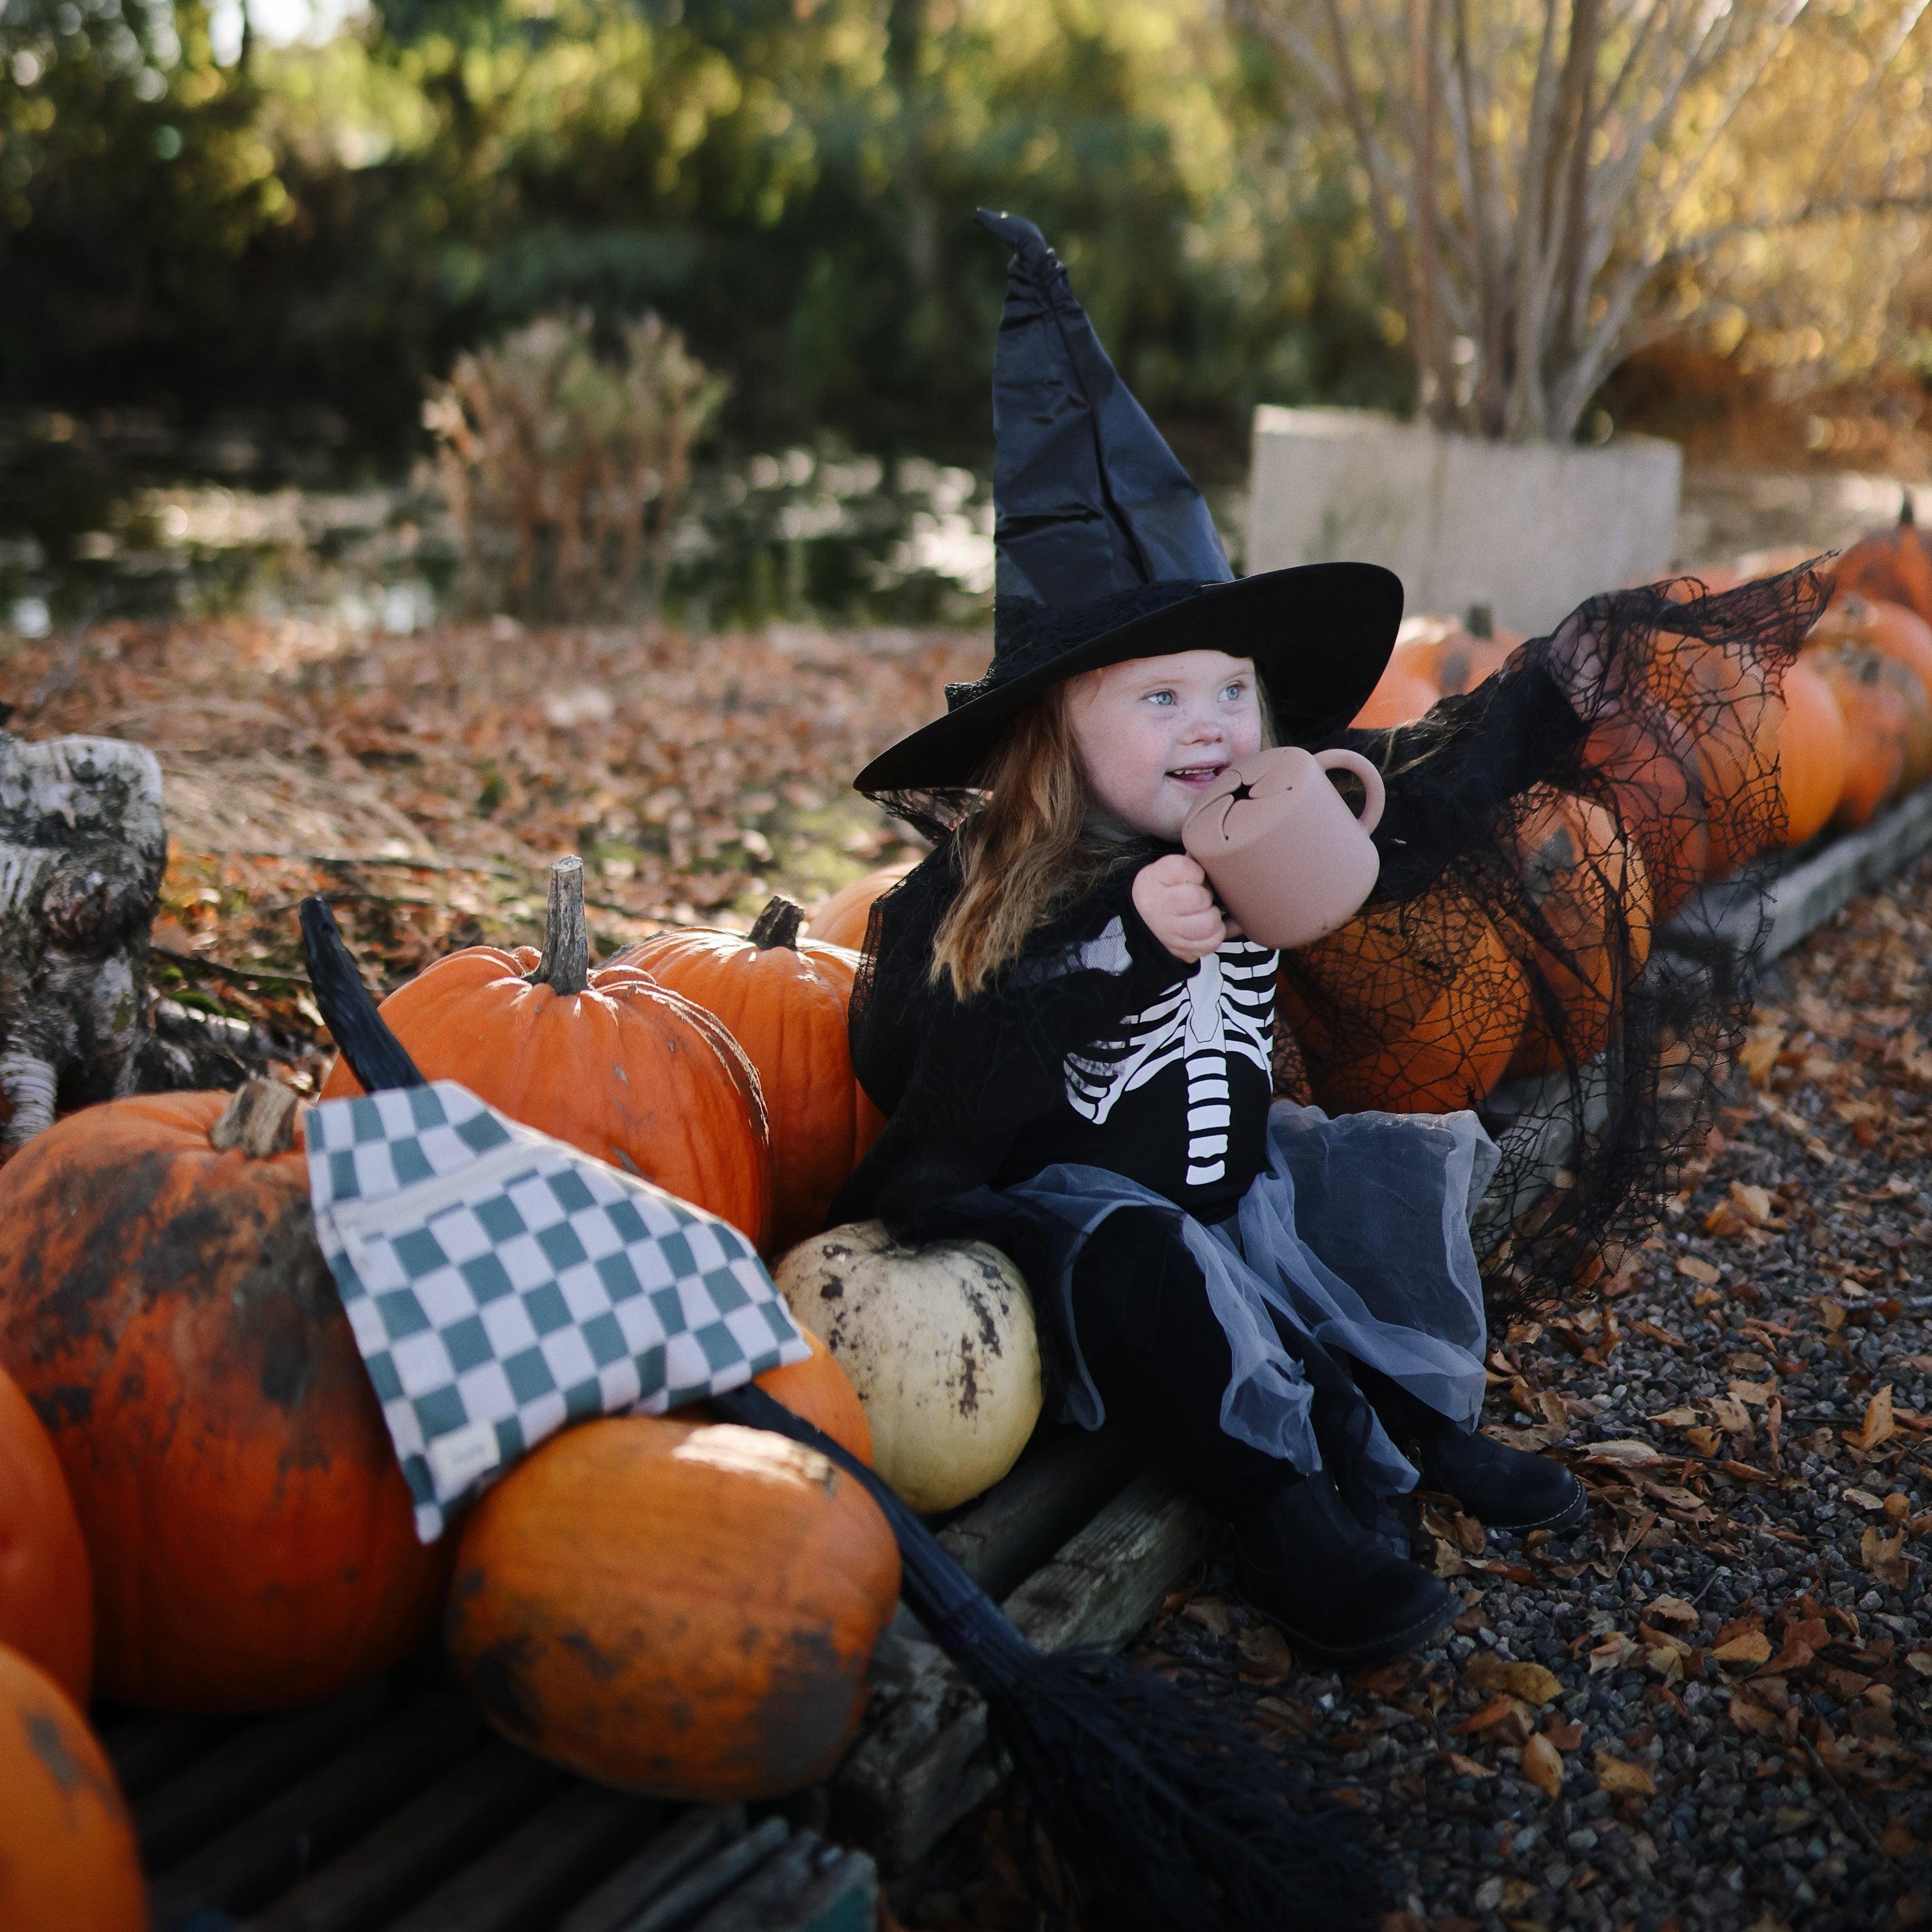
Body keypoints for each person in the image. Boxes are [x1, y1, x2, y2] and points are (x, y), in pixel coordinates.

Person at [829, 210, 1797, 1667]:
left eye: (1231, 689)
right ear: (1052, 731)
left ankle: (1410, 1430)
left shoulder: (1261, 817)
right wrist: (1118, 951)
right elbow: (931, 1071)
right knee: (1161, 1277)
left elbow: (1417, 786)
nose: (1212, 724)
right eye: (1159, 699)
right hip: (1075, 1238)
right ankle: (1281, 1515)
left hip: (1241, 1191)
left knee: (1340, 1217)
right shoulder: (987, 887)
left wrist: (1542, 695)